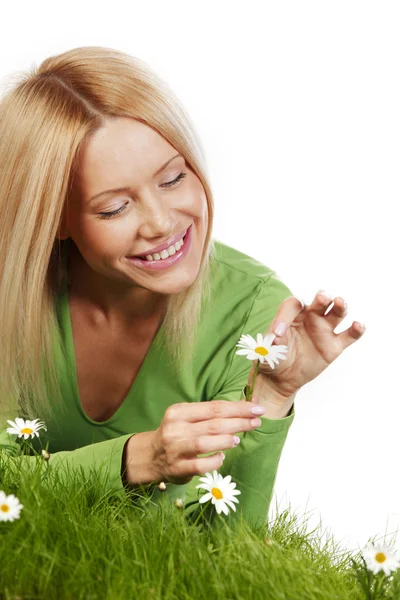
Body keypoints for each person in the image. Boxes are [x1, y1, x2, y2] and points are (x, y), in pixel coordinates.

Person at [0, 46, 365, 529]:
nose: (161, 223)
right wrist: (135, 459)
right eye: (113, 208)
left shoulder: (253, 311)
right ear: (56, 221)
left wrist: (272, 399)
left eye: (174, 178)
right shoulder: (14, 294)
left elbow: (220, 553)